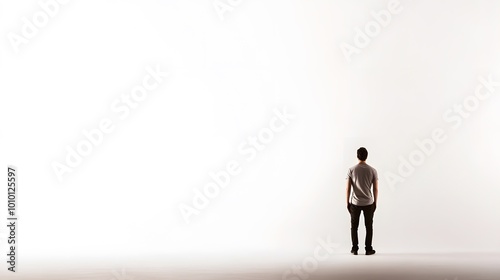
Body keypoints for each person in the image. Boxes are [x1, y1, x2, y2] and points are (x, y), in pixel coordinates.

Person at [346, 147, 378, 255]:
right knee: (369, 226)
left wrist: (347, 203)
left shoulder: (351, 170)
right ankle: (368, 249)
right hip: (369, 202)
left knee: (354, 226)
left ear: (357, 156)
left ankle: (354, 249)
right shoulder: (373, 170)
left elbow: (348, 188)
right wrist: (375, 202)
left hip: (355, 203)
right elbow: (376, 188)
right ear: (366, 156)